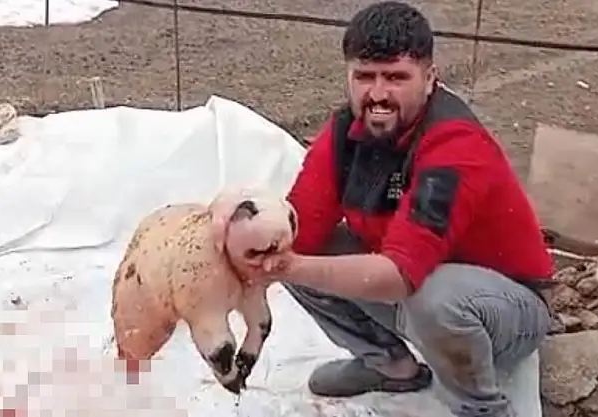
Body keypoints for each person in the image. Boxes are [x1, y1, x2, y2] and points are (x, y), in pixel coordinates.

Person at [232, 2, 554, 416]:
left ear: (430, 78)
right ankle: (390, 366)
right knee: (288, 244)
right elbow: (298, 230)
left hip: (507, 311)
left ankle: (480, 407)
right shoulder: (344, 133)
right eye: (365, 77)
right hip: (418, 286)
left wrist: (287, 267)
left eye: (396, 77)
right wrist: (246, 245)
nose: (378, 94)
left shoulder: (456, 146)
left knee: (434, 298)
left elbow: (401, 276)